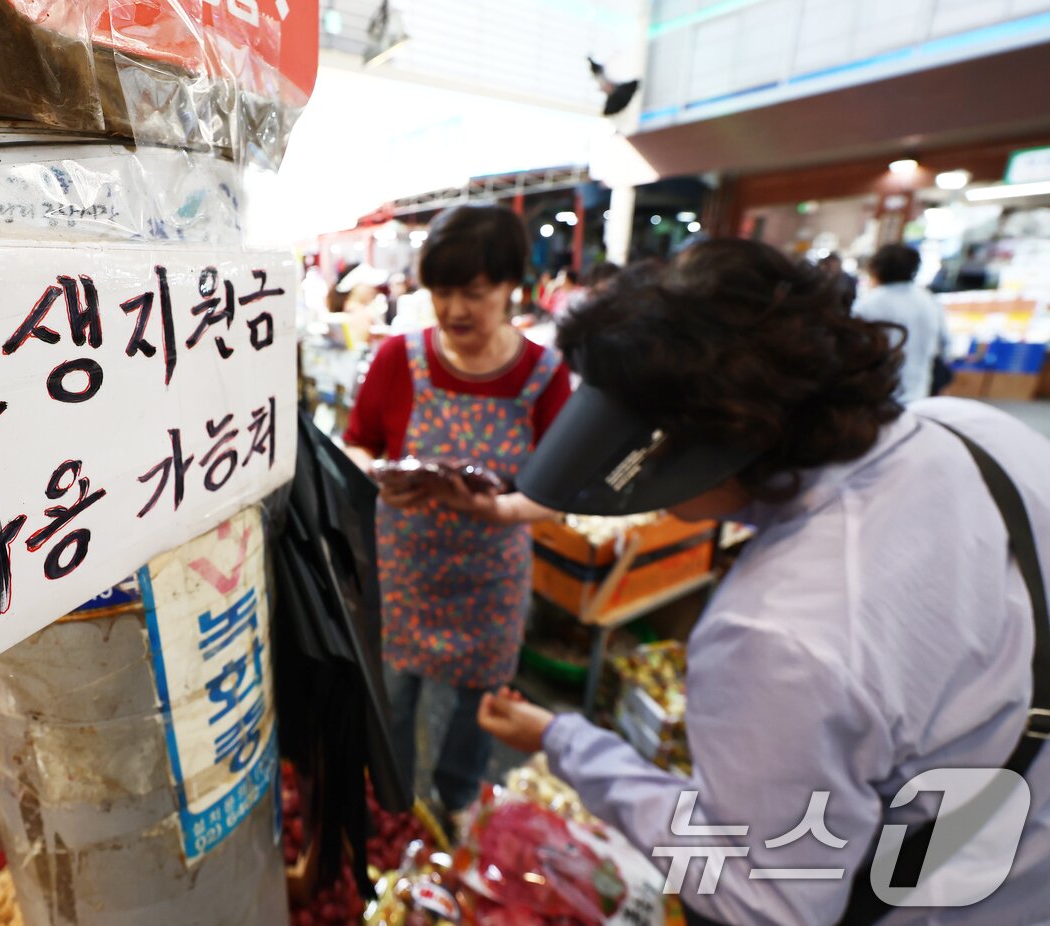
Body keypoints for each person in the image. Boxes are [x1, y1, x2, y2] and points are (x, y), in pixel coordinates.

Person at [478, 238, 1050, 925]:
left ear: (720, 440)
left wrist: (571, 745)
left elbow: (763, 897)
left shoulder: (778, 632)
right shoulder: (975, 432)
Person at [342, 204, 571, 819]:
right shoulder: (399, 359)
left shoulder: (544, 376)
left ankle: (457, 800)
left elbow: (557, 492)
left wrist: (501, 513)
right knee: (394, 694)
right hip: (406, 571)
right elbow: (358, 442)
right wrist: (379, 479)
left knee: (480, 704)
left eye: (473, 292)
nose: (454, 310)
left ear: (510, 287)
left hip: (490, 578)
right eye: (441, 292)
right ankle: (391, 803)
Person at [852, 244, 949, 402]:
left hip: (878, 393)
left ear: (876, 269)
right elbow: (945, 344)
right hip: (919, 391)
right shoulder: (929, 300)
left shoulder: (868, 303)